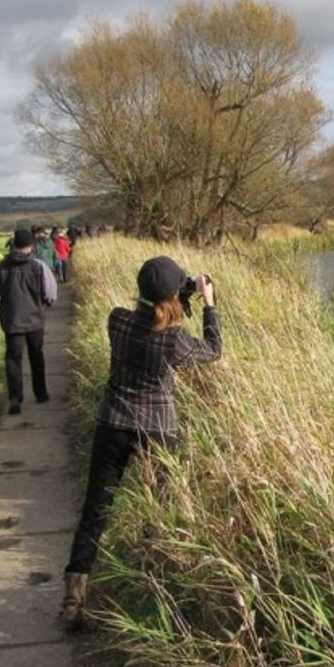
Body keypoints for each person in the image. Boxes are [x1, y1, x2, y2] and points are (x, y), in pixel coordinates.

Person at [60, 255, 221, 631]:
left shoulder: (117, 320)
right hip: (157, 429)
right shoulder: (175, 340)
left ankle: (73, 598)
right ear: (173, 294)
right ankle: (154, 589)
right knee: (161, 510)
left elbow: (150, 316)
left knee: (95, 510)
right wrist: (207, 304)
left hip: (112, 422)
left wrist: (178, 295)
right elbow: (213, 351)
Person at [0, 228, 57, 415]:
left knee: (13, 359)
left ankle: (15, 398)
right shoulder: (38, 266)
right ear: (32, 245)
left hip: (11, 320)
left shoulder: (1, 267)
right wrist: (46, 304)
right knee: (36, 356)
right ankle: (41, 393)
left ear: (13, 244)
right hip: (35, 320)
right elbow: (50, 293)